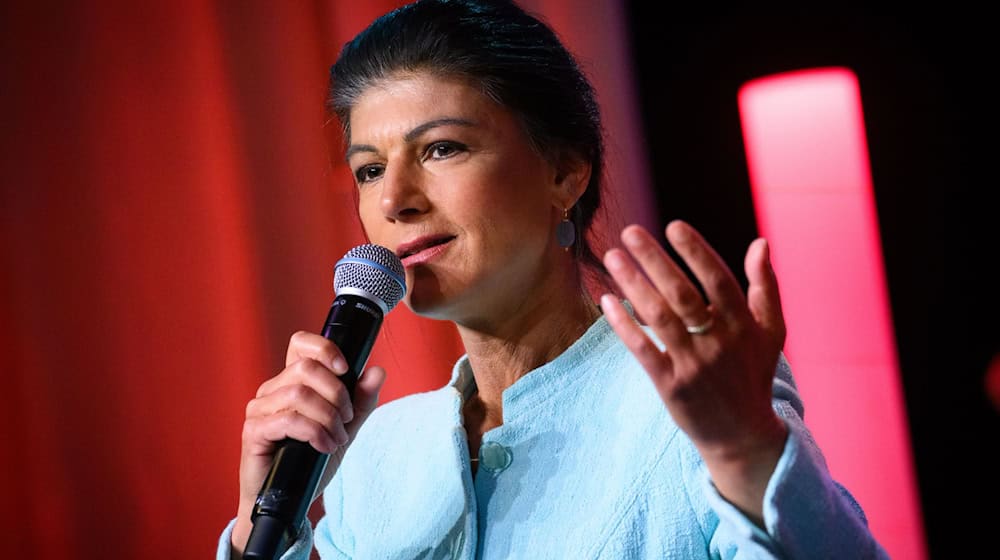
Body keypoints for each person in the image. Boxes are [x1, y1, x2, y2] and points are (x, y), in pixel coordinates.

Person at [218, 0, 890, 558]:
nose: (394, 199)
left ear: (566, 173)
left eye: (442, 149)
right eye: (368, 169)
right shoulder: (377, 455)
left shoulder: (690, 390)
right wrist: (263, 517)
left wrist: (746, 452)